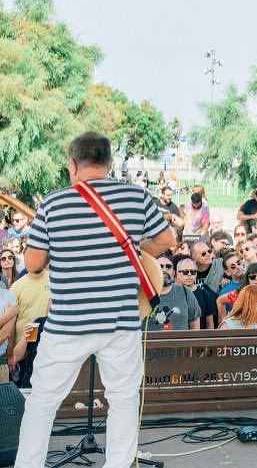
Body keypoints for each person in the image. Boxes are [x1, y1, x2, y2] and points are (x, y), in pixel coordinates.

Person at [14, 132, 176, 468]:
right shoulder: (136, 197)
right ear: (109, 163)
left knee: (42, 401)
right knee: (123, 399)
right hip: (119, 320)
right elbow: (166, 239)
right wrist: (133, 251)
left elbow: (32, 265)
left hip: (67, 322)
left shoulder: (53, 203)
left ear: (72, 165)